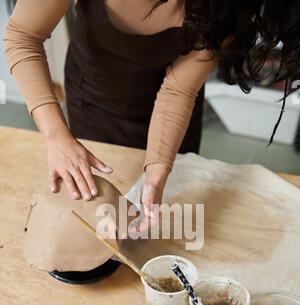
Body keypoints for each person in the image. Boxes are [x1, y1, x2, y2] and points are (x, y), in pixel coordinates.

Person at [5, 1, 300, 230]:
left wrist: (157, 175)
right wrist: (56, 136)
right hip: (96, 97)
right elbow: (23, 36)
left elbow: (178, 91)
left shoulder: (225, 7)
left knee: (167, 217)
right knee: (99, 210)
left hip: (174, 111)